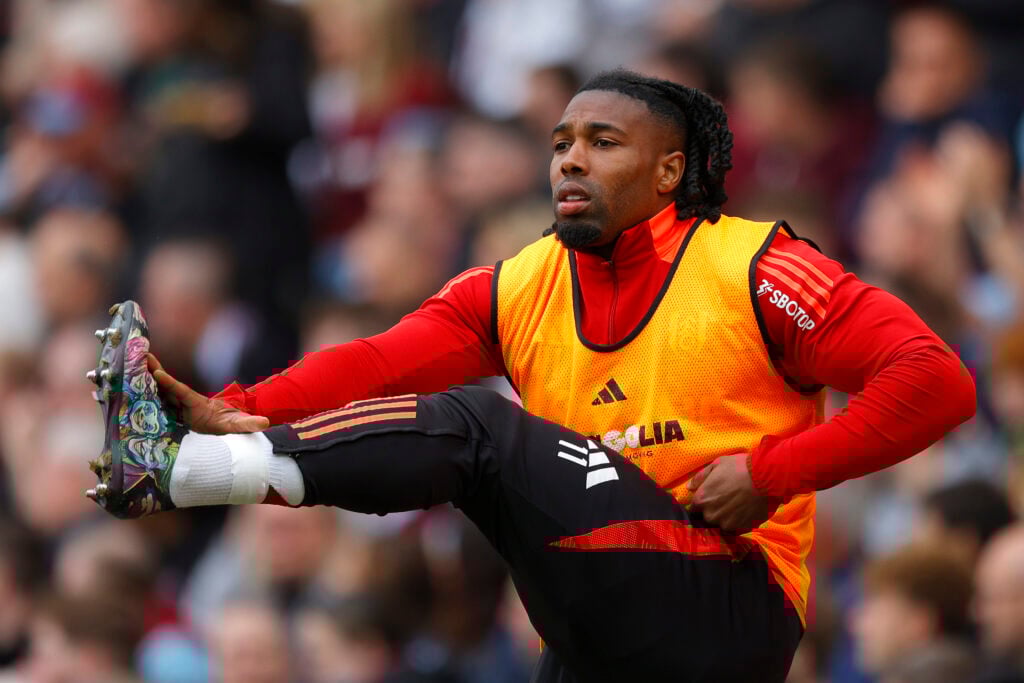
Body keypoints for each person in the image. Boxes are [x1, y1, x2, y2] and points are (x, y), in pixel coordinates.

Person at [85, 70, 976, 682]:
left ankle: (180, 476)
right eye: (560, 142)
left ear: (673, 169)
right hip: (598, 618)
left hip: (727, 600)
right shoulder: (520, 281)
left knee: (479, 430)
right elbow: (377, 361)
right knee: (469, 443)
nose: (570, 160)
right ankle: (192, 454)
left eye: (602, 141)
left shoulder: (759, 264)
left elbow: (936, 381)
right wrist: (231, 407)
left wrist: (773, 472)